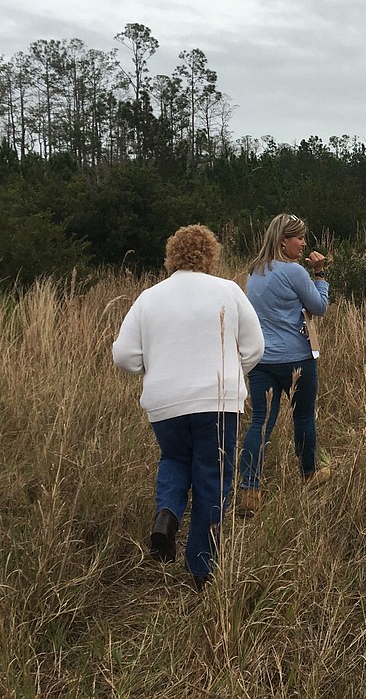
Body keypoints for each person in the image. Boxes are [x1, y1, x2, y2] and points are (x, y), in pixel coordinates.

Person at [112, 224, 264, 590]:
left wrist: (155, 369)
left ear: (171, 257)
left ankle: (166, 515)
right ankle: (200, 569)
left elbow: (124, 357)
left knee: (174, 460)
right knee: (212, 480)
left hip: (165, 404)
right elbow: (256, 346)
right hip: (218, 400)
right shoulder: (227, 290)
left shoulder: (149, 298)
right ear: (211, 255)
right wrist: (231, 373)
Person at [236, 214, 331, 519]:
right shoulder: (295, 272)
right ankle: (309, 473)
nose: (304, 243)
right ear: (282, 241)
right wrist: (320, 275)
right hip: (296, 360)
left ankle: (250, 490)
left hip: (261, 360)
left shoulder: (254, 271)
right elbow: (319, 307)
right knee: (303, 417)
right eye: (299, 238)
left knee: (260, 423)